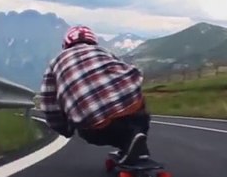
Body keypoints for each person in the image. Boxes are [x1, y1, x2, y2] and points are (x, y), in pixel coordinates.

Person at [36, 25, 152, 163]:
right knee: (137, 103)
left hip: (94, 125)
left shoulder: (55, 63)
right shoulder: (103, 52)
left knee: (87, 132)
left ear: (66, 44)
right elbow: (131, 74)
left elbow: (50, 106)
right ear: (93, 41)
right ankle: (135, 143)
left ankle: (127, 144)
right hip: (129, 109)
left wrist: (64, 129)